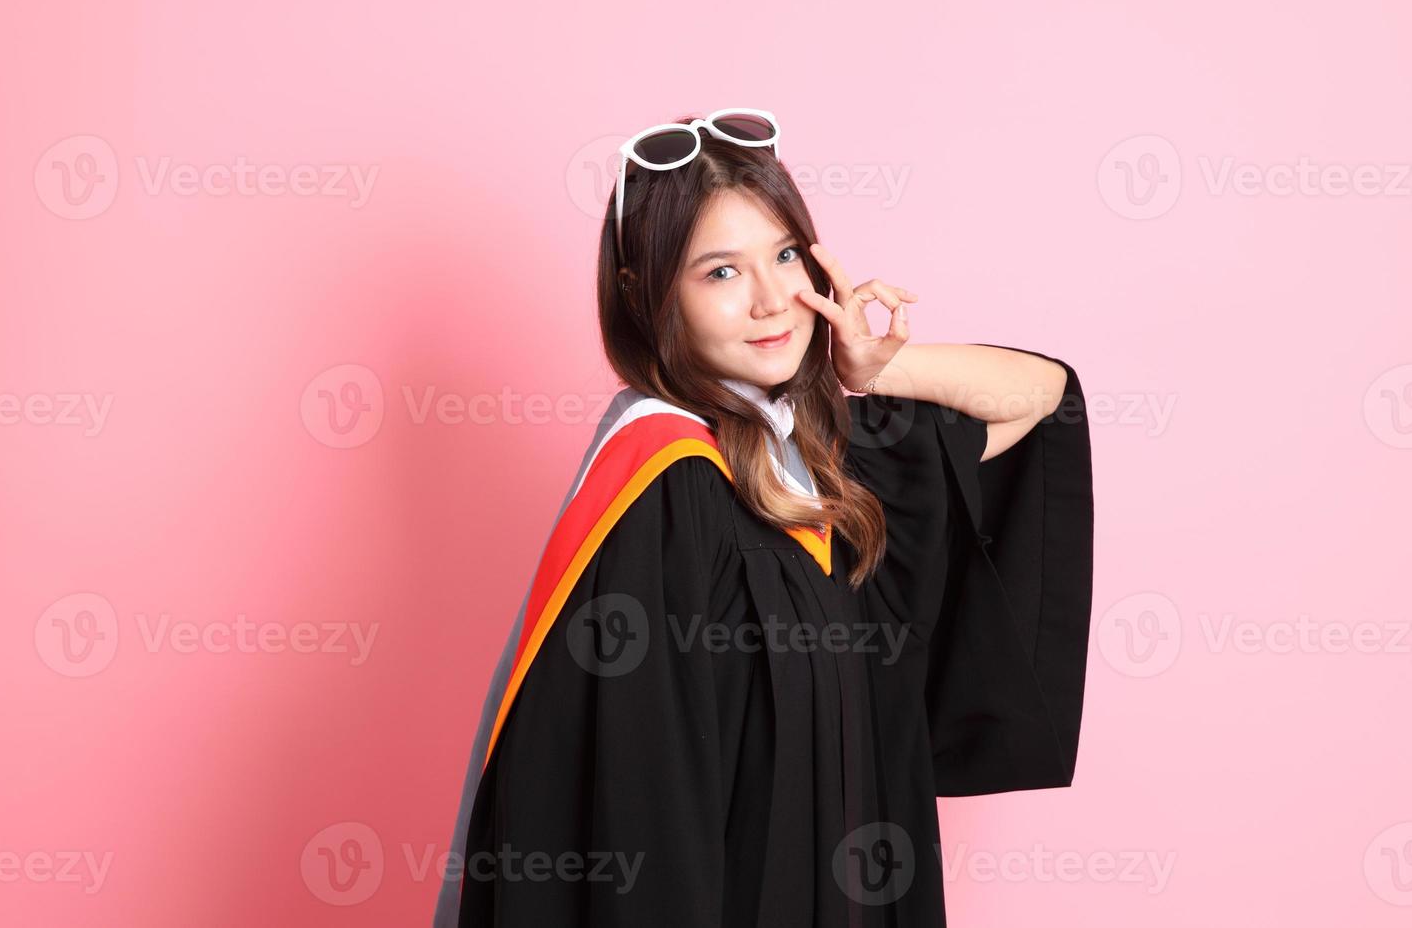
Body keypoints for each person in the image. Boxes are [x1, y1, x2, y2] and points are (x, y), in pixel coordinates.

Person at [434, 109, 1094, 927]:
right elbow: (644, 817)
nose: (771, 299)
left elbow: (1045, 397)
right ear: (647, 294)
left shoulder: (823, 463)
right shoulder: (665, 489)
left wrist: (875, 370)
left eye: (784, 256)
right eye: (720, 272)